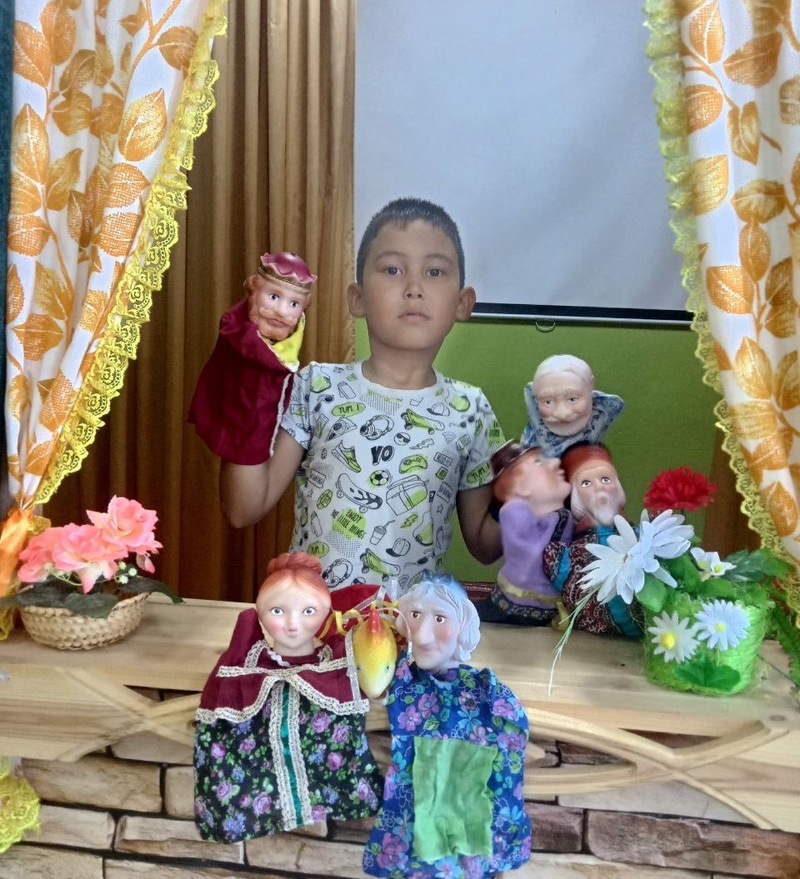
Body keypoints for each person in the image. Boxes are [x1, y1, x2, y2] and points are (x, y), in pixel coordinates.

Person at [220, 198, 506, 593]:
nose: (414, 289)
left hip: (412, 625)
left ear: (462, 303)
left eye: (435, 271)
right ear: (357, 299)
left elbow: (485, 546)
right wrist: (249, 386)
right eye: (392, 269)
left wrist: (536, 502)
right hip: (313, 620)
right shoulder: (316, 386)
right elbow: (243, 509)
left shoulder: (471, 409)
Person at [193, 552, 383, 842]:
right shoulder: (241, 664)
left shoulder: (337, 660)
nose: (293, 624)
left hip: (337, 800)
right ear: (259, 612)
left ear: (326, 612)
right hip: (252, 807)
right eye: (278, 611)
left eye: (309, 611)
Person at [363, 573, 531, 879]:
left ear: (464, 624)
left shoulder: (491, 697)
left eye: (440, 618)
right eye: (415, 615)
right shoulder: (396, 678)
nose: (423, 635)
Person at [188, 251, 317, 464]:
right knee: (240, 454)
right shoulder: (236, 330)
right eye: (274, 297)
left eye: (294, 304)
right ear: (254, 291)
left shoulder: (294, 333)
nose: (281, 311)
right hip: (236, 410)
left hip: (267, 418)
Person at [545, 442, 643, 636]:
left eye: (606, 479)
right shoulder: (573, 550)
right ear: (575, 496)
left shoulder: (640, 536)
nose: (599, 487)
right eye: (586, 483)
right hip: (587, 636)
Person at [473, 441, 573, 626]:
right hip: (517, 603)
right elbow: (530, 552)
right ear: (520, 488)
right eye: (538, 462)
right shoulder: (514, 513)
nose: (555, 463)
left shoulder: (564, 518)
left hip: (549, 608)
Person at [521, 354, 624, 458]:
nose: (562, 414)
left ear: (590, 387)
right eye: (548, 402)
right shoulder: (532, 442)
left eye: (572, 399)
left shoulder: (601, 412)